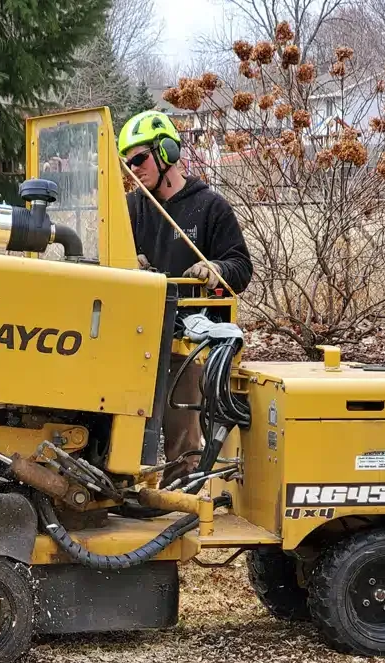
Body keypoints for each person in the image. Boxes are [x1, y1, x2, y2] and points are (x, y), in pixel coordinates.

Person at [118, 110, 254, 487]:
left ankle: (180, 504)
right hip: (139, 336)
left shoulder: (209, 206)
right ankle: (121, 498)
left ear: (167, 152)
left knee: (181, 431)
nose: (133, 169)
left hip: (188, 341)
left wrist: (216, 269)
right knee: (120, 420)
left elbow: (241, 267)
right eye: (126, 164)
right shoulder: (130, 210)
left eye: (140, 159)